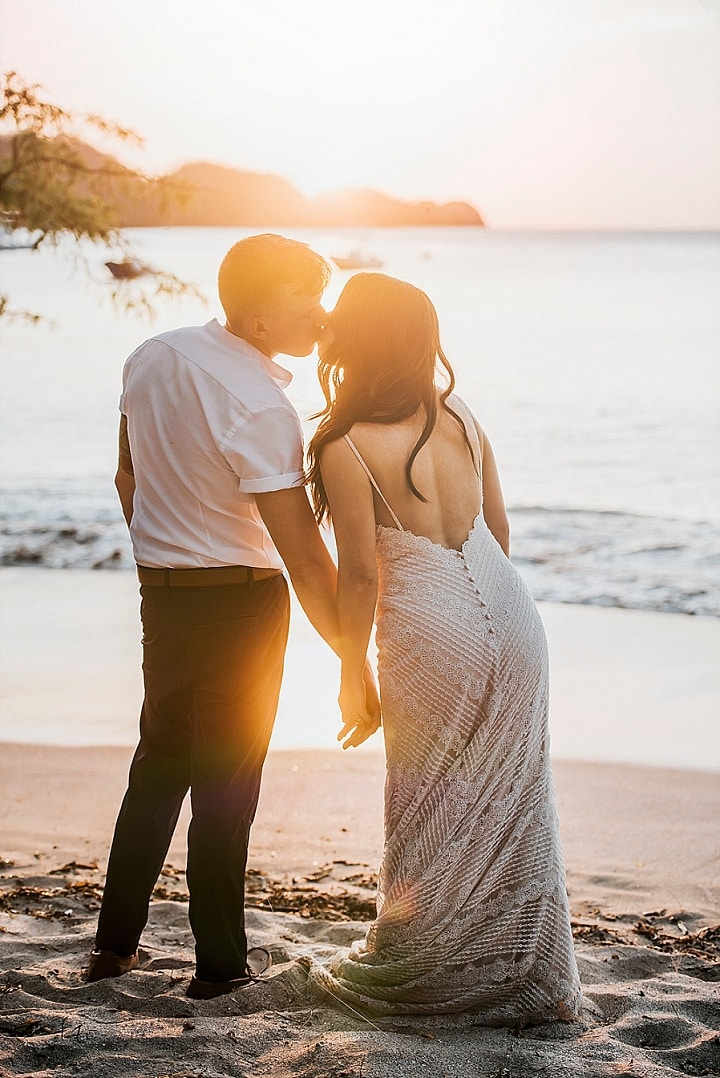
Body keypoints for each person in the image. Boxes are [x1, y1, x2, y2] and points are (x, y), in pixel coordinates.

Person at [86, 234, 380, 1000]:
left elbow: (127, 475)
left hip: (164, 593)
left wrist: (162, 554)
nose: (321, 316)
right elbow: (308, 560)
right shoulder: (261, 405)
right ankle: (219, 968)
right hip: (241, 603)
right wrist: (353, 659)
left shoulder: (153, 354)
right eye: (304, 299)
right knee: (226, 788)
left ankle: (112, 949)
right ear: (256, 319)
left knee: (157, 771)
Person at [304, 272, 582, 1025]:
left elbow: (360, 574)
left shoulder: (343, 442)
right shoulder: (460, 415)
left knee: (428, 803)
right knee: (518, 801)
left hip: (431, 627)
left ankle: (429, 974)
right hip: (513, 613)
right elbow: (498, 525)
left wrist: (347, 671)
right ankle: (532, 982)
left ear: (355, 342)